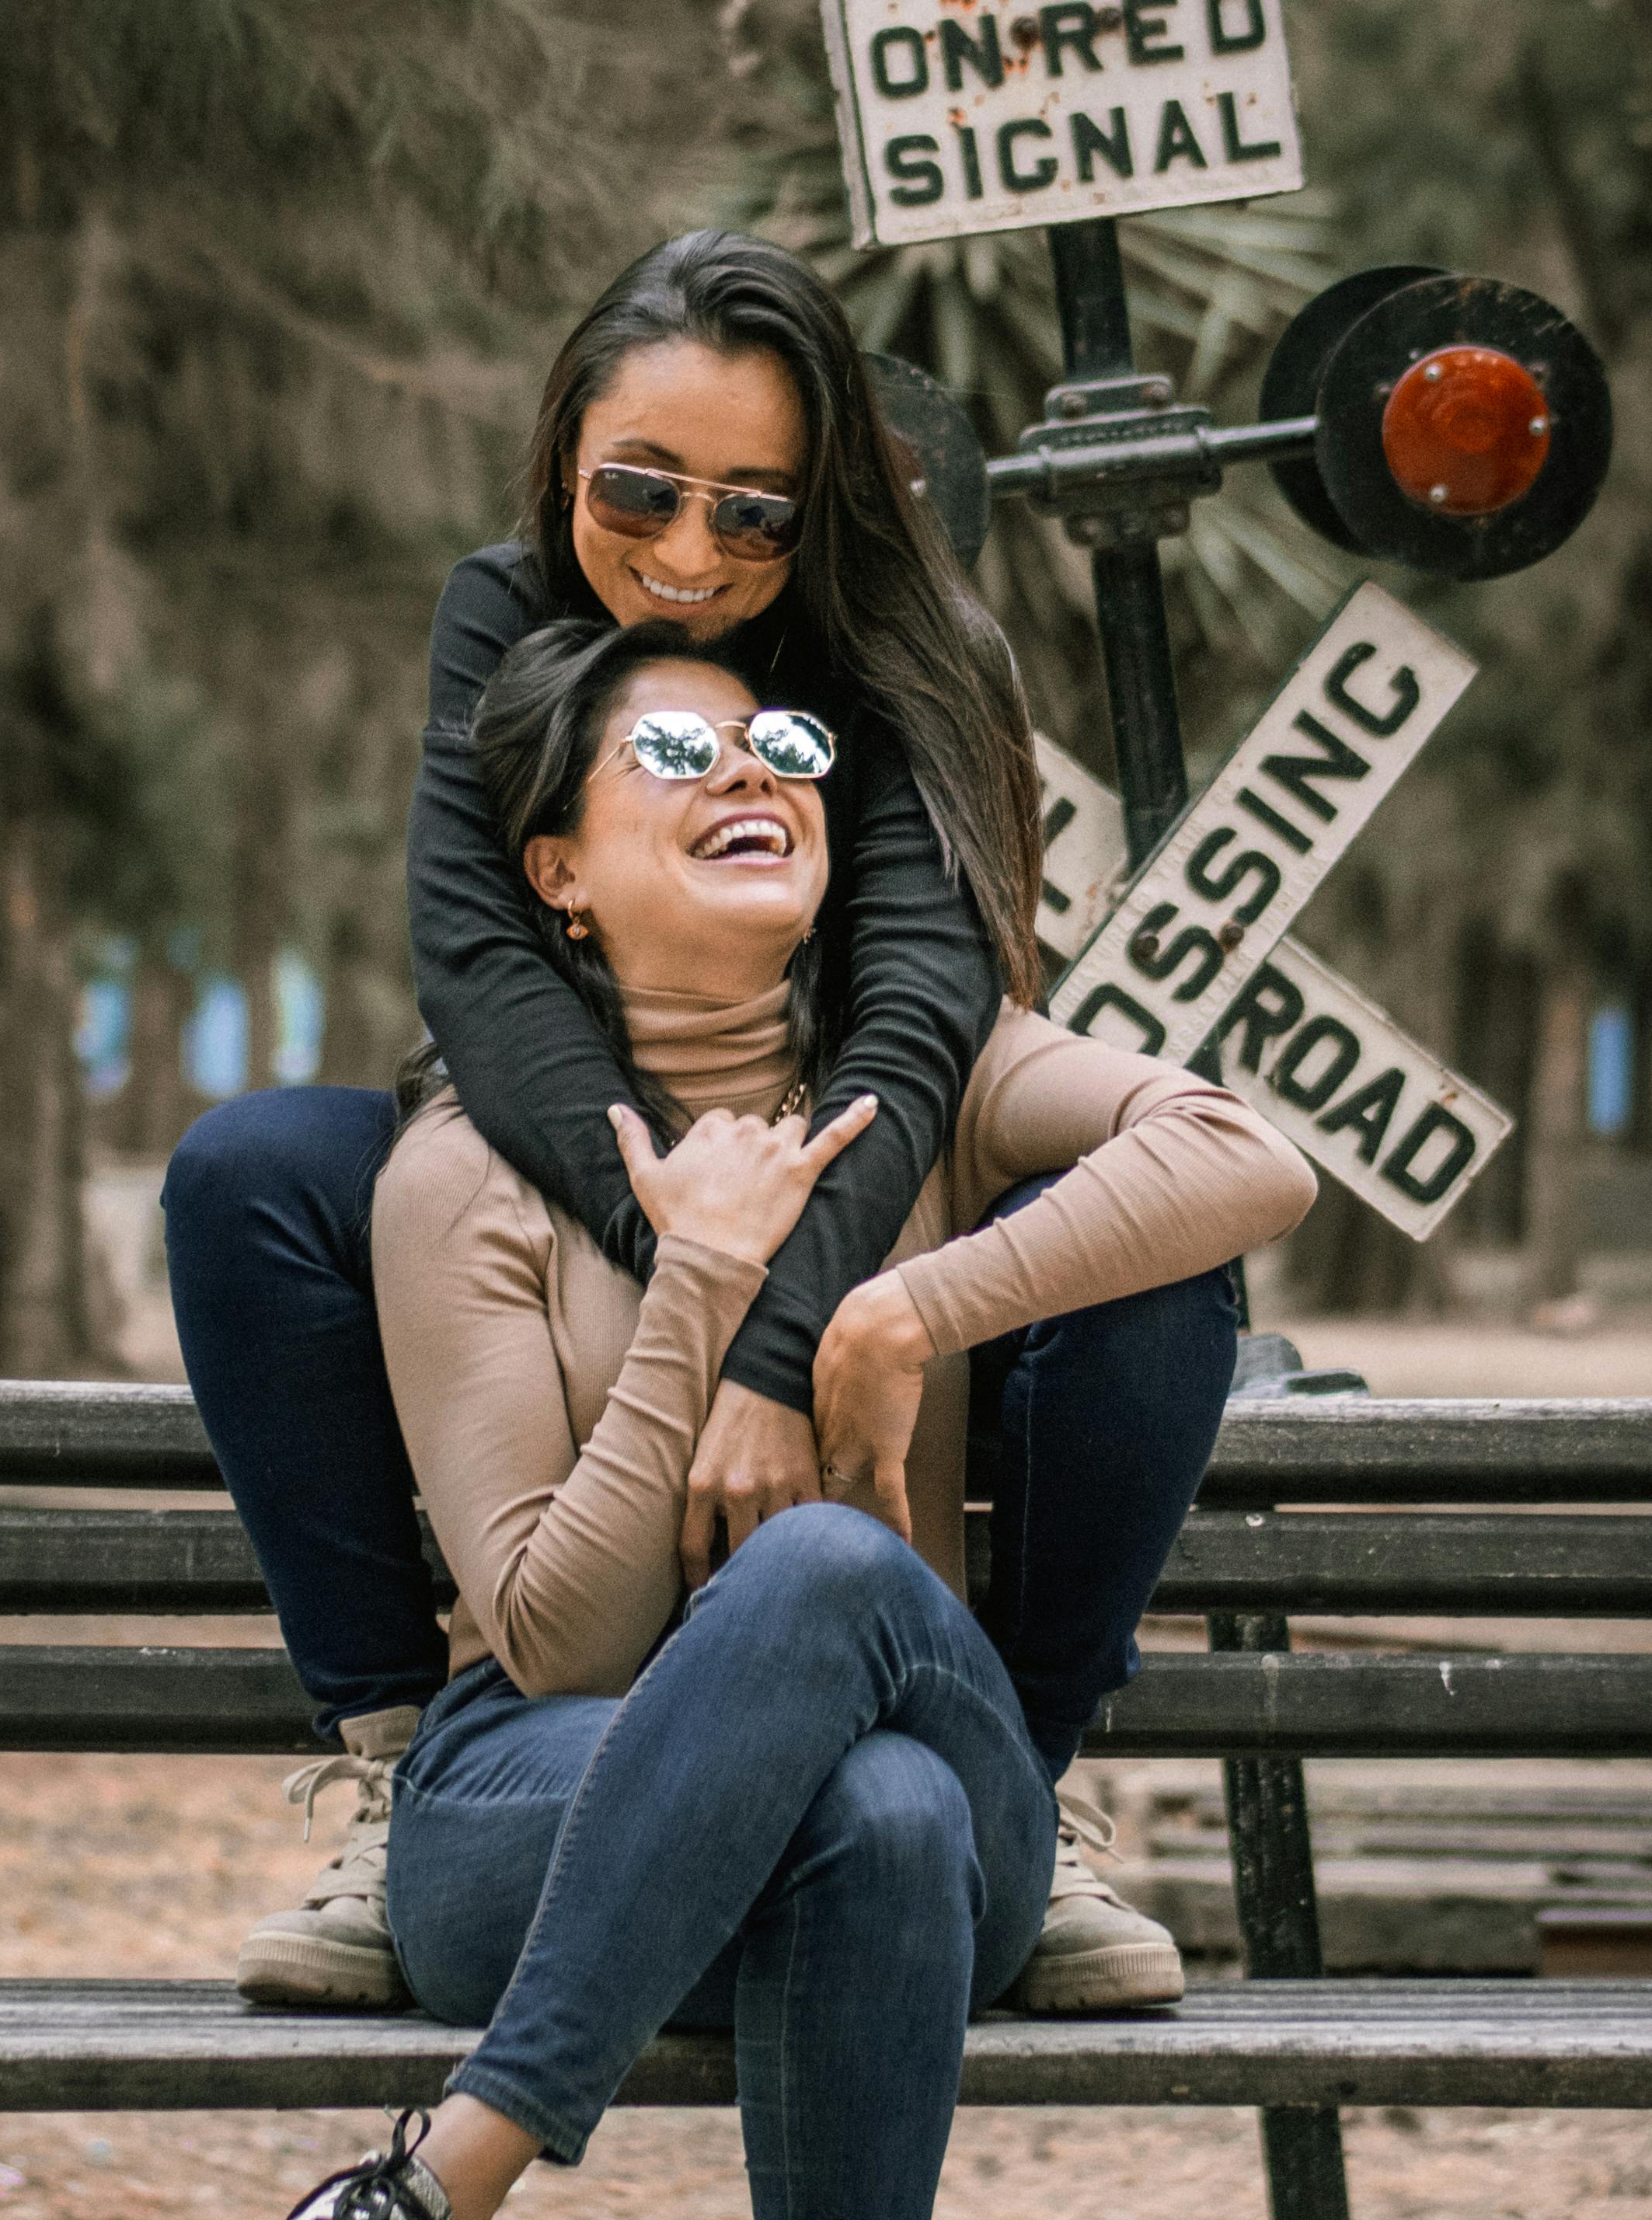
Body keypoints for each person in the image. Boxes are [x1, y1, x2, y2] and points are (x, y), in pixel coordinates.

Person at [165, 622, 1316, 2220]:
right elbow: (552, 1622)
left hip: (932, 1788)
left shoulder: (941, 1087)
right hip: (539, 1793)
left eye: (782, 735)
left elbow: (1241, 1159)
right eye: (669, 747)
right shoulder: (463, 1176)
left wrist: (894, 1297)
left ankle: (430, 2193)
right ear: (561, 869)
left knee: (837, 1604)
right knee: (862, 1782)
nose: (750, 766)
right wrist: (697, 1287)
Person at [162, 227, 1211, 2015]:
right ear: (567, 444)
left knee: (1162, 1276)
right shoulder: (502, 609)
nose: (684, 555)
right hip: (588, 1156)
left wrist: (794, 1328)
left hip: (864, 1157)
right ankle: (402, 1755)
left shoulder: (910, 656)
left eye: (755, 512)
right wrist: (711, 1278)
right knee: (253, 1175)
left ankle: (1014, 1786)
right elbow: (485, 983)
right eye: (637, 489)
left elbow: (918, 1019)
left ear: (821, 517)